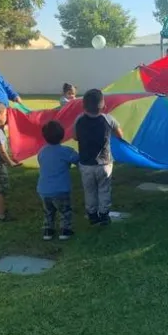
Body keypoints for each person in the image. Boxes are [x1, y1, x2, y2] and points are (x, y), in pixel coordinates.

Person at [74, 89, 123, 226]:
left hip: (85, 164)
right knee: (104, 188)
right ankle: (104, 215)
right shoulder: (109, 119)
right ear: (104, 105)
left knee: (89, 190)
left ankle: (92, 215)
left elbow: (75, 136)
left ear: (83, 106)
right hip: (104, 163)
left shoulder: (79, 119)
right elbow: (120, 135)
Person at [37, 121, 79, 241]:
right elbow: (78, 160)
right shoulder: (66, 151)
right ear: (62, 135)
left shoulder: (42, 151)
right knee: (65, 210)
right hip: (60, 189)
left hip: (43, 189)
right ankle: (65, 231)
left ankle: (47, 231)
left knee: (48, 211)